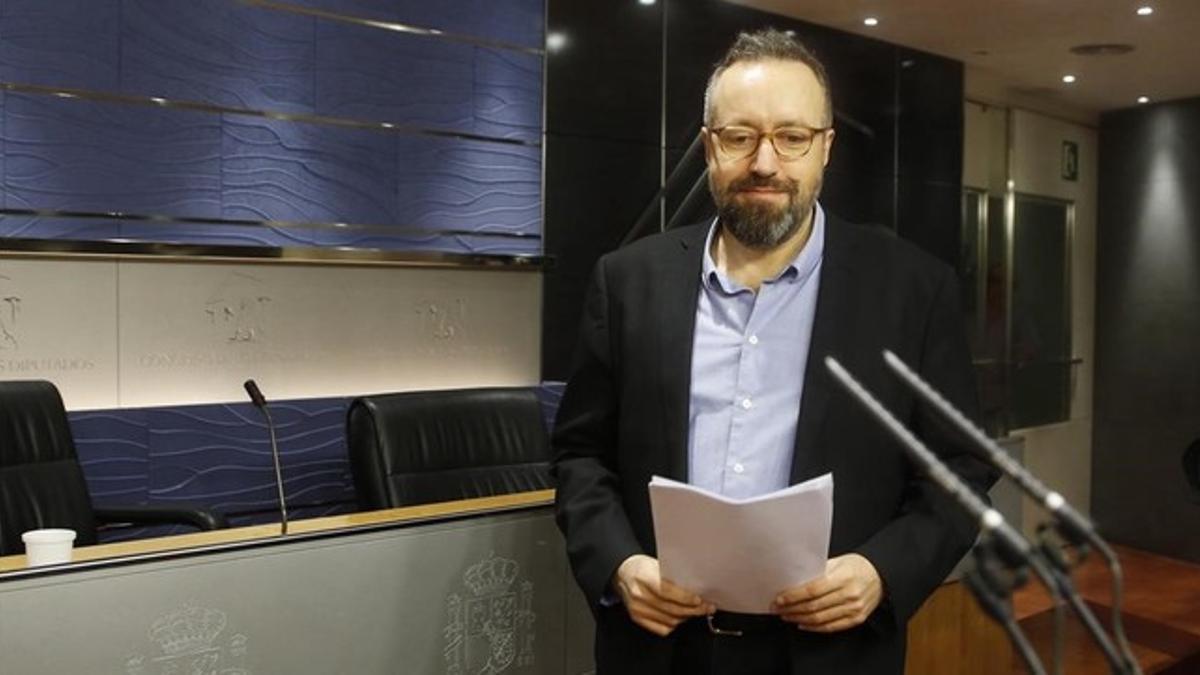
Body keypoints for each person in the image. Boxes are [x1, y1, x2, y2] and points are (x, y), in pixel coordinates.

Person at [551, 28, 995, 674]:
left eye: (792, 137)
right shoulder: (626, 281)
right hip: (659, 650)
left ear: (826, 149)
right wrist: (619, 563)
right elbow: (580, 454)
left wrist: (882, 570)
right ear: (709, 147)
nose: (765, 162)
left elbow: (960, 469)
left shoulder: (913, 289)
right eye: (740, 136)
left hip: (831, 653)